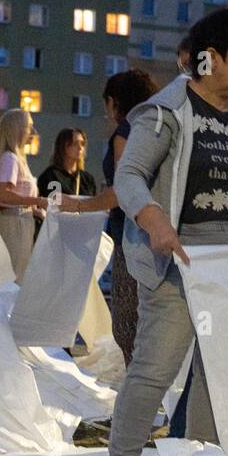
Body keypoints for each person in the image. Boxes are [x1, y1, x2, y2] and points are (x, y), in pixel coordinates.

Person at [99, 7, 228, 456]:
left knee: (219, 375)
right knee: (156, 366)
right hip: (179, 259)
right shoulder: (167, 110)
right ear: (210, 57)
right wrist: (156, 222)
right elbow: (129, 177)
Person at [62, 70, 160, 364]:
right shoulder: (156, 127)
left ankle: (138, 405)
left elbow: (124, 189)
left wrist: (79, 205)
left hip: (132, 239)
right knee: (153, 327)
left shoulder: (126, 132)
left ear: (114, 101)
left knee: (128, 326)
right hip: (158, 235)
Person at [0, 108, 50, 281]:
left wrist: (36, 210)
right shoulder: (10, 159)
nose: (33, 132)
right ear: (18, 129)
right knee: (15, 279)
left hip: (21, 222)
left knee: (18, 277)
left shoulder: (15, 159)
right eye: (29, 126)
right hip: (15, 225)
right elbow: (3, 194)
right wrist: (38, 201)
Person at [37, 129, 98, 202]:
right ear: (63, 147)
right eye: (75, 143)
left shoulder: (88, 179)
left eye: (82, 144)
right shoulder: (50, 176)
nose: (80, 148)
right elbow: (50, 206)